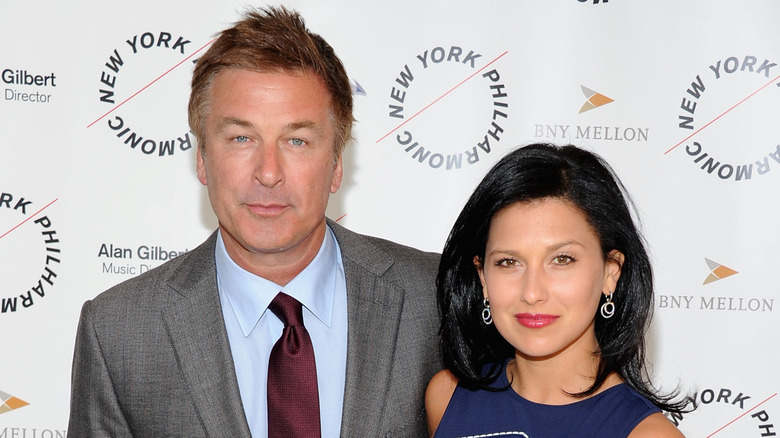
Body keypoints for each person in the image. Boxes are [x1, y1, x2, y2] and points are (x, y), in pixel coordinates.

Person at [68, 7, 440, 437]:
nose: (268, 172)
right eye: (241, 138)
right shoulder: (120, 332)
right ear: (203, 158)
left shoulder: (432, 300)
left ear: (337, 164)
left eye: (296, 140)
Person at [426, 144, 691, 437]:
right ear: (483, 278)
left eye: (562, 260)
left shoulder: (647, 434)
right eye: (508, 262)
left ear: (610, 273)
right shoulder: (447, 397)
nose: (532, 292)